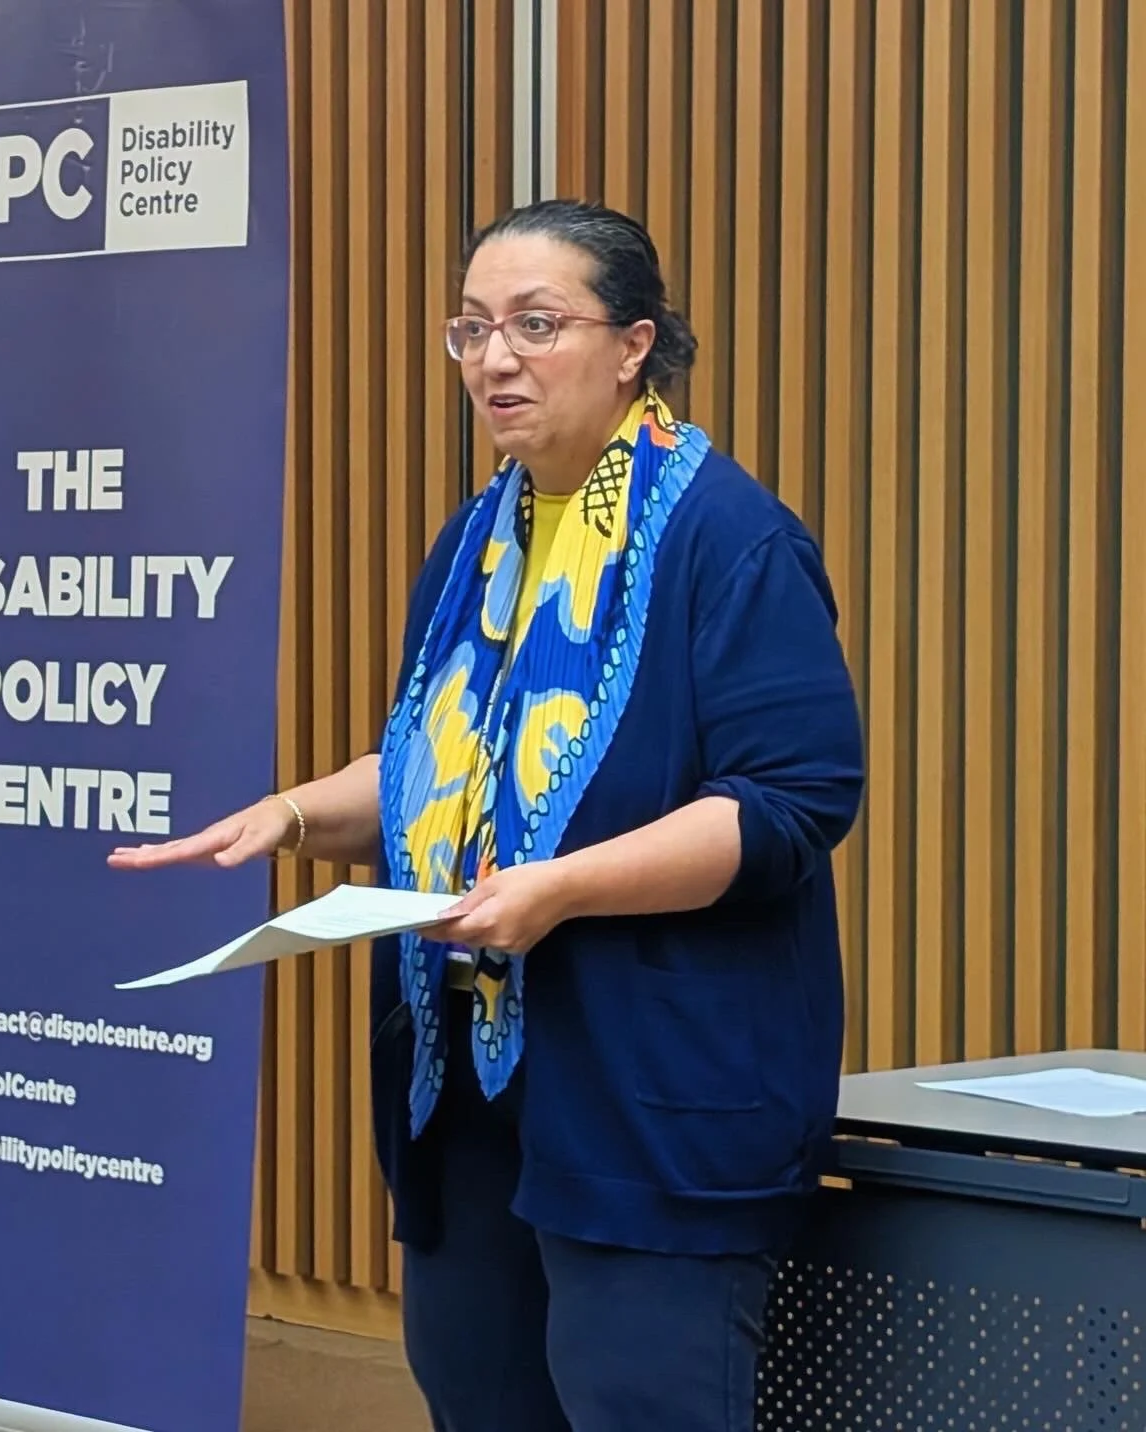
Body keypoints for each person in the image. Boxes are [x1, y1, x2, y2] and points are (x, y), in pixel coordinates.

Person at [109, 198, 864, 1432]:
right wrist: (288, 817)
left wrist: (559, 888)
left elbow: (791, 802)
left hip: (649, 1090)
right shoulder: (476, 536)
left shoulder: (729, 537)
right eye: (472, 329)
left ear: (634, 345)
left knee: (637, 1404)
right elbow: (440, 770)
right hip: (465, 1088)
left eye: (535, 324)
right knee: (476, 1393)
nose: (495, 358)